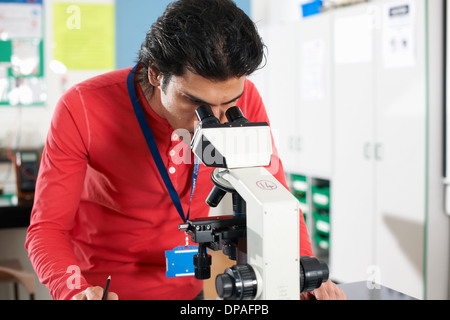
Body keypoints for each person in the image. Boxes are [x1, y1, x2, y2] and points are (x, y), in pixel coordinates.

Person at [25, 0, 345, 300]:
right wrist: (74, 290)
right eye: (196, 103)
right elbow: (47, 230)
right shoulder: (82, 107)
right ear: (156, 73)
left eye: (228, 104)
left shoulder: (244, 100)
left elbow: (274, 193)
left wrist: (302, 269)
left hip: (190, 287)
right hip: (106, 287)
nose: (214, 121)